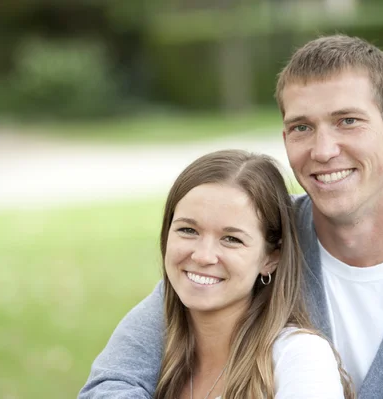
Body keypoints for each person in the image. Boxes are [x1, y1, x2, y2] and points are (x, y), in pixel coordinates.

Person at [79, 35, 383, 399]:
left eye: (347, 121)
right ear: (285, 139)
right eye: (302, 127)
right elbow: (113, 382)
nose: (324, 149)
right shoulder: (254, 237)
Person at [146, 149, 354, 398]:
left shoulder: (300, 357)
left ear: (270, 258)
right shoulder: (151, 356)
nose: (203, 256)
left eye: (231, 239)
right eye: (188, 230)